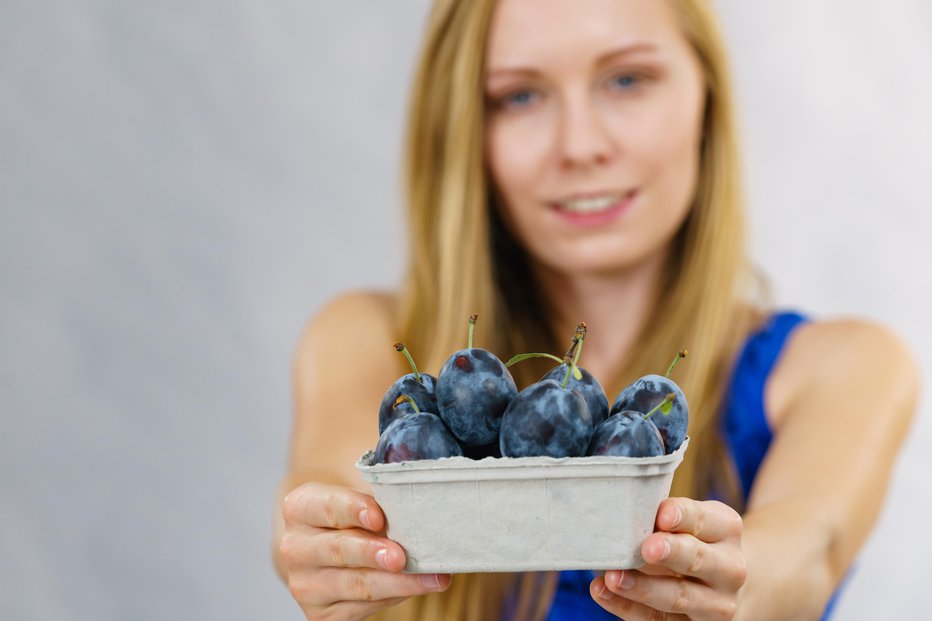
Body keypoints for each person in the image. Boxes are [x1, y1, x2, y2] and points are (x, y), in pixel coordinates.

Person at [273, 0, 919, 619]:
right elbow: (324, 487)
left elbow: (808, 549)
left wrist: (735, 583)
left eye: (627, 79)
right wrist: (327, 544)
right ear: (465, 127)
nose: (579, 145)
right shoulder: (364, 337)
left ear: (706, 96)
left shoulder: (846, 366)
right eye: (520, 95)